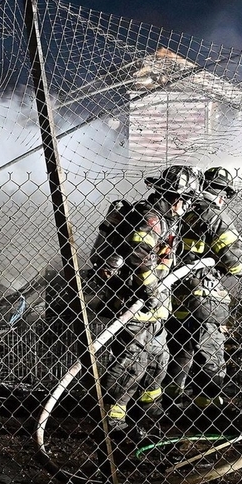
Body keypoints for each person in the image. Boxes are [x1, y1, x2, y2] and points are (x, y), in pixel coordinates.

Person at [88, 165, 200, 439]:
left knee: (158, 363)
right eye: (186, 200)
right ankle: (112, 422)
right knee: (132, 362)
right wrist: (150, 293)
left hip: (154, 310)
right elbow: (139, 257)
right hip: (133, 306)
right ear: (177, 198)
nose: (185, 207)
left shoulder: (164, 220)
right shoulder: (151, 219)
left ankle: (147, 421)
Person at [165, 166, 242, 412]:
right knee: (211, 354)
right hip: (205, 299)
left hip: (176, 297)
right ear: (222, 192)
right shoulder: (215, 215)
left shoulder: (181, 210)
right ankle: (209, 409)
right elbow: (232, 261)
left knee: (180, 352)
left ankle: (171, 402)